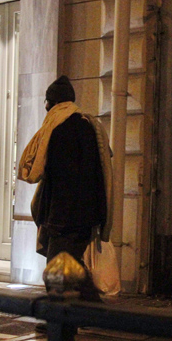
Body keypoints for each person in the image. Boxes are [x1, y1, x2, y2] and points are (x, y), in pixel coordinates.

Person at [17, 75, 113, 302]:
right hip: (87, 215)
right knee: (71, 266)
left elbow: (63, 179)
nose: (45, 107)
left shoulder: (59, 129)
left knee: (57, 269)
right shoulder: (87, 125)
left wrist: (55, 222)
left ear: (53, 103)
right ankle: (93, 310)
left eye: (46, 102)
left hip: (66, 218)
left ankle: (67, 316)